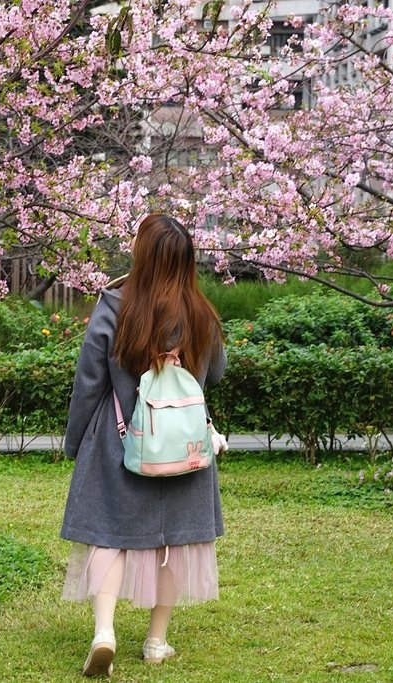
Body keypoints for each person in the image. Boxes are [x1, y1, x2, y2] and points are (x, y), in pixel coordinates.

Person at [60, 213, 227, 677]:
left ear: (142, 253)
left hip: (118, 439)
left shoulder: (115, 305)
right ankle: (156, 642)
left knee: (108, 536)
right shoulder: (200, 311)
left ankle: (105, 633)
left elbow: (89, 382)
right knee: (175, 540)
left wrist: (75, 443)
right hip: (183, 446)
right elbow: (215, 373)